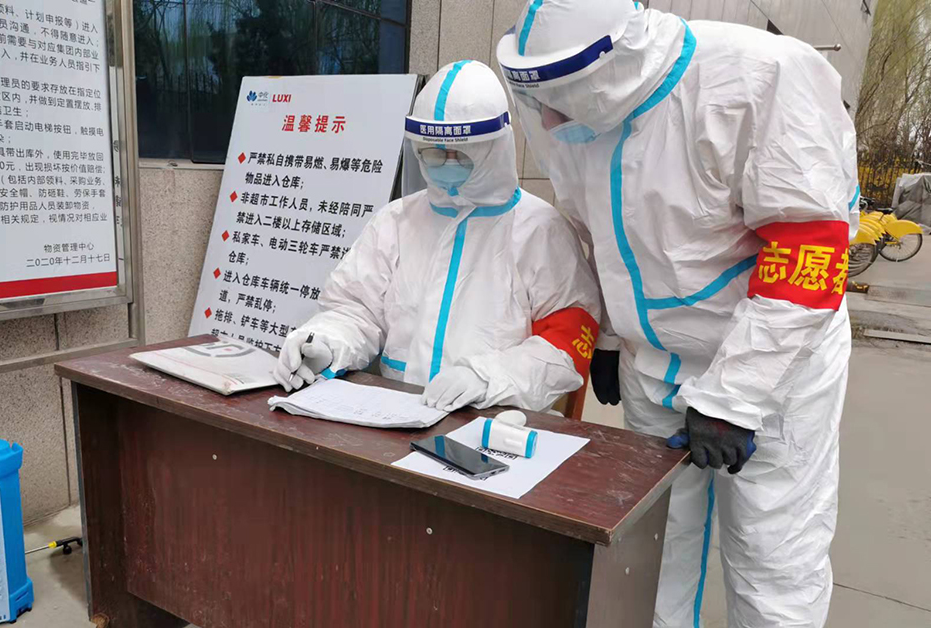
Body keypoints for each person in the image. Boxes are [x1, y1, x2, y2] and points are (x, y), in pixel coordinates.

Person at [497, 2, 857, 627]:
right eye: (538, 98)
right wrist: (610, 338)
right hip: (651, 363)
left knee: (772, 561)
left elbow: (810, 247)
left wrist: (735, 397)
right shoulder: (567, 106)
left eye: (561, 96)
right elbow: (599, 236)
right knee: (655, 553)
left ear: (616, 62)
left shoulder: (758, 78)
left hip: (771, 371)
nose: (549, 118)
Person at [274, 60, 602, 414]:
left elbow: (566, 337)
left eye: (460, 153)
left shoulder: (540, 230)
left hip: (494, 419)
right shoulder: (397, 221)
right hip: (395, 412)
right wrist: (327, 343)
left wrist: (489, 377)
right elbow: (355, 308)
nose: (446, 163)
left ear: (495, 147)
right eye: (433, 152)